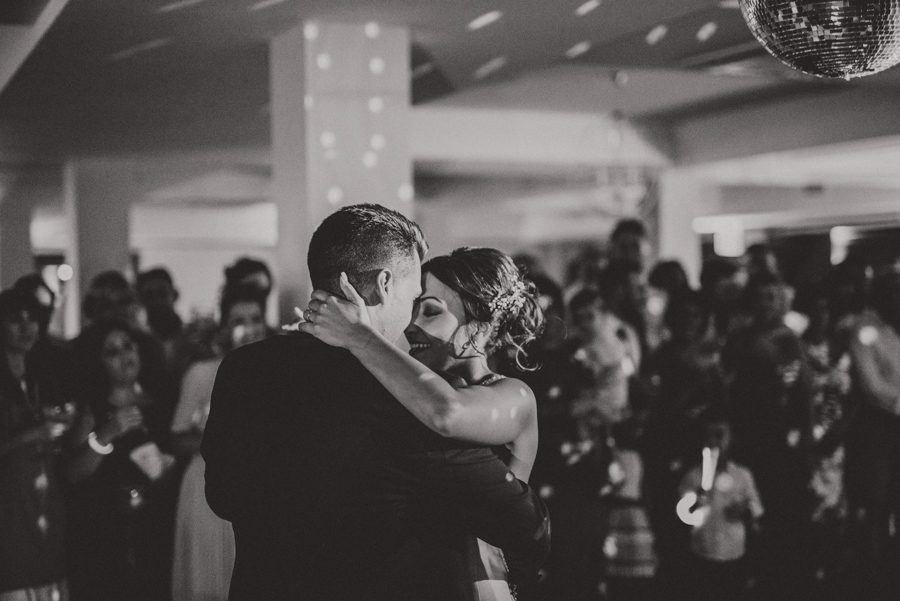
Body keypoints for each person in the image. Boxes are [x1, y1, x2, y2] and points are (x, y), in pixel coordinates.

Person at [202, 204, 549, 601]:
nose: (414, 318)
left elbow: (223, 496)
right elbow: (527, 527)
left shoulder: (243, 368)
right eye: (415, 295)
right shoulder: (405, 397)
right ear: (385, 285)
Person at [302, 246, 543, 600]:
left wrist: (360, 336)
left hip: (471, 583)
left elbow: (447, 414)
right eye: (413, 308)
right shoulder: (407, 389)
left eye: (430, 311)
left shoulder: (514, 395)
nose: (413, 323)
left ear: (479, 324)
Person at [169, 285, 268, 601]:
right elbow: (176, 438)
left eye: (255, 318)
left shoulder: (278, 374)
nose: (249, 328)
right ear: (225, 326)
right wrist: (222, 440)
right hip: (207, 485)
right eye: (239, 320)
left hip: (261, 487)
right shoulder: (201, 373)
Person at [66, 320, 176, 601]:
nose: (125, 356)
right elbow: (72, 474)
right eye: (112, 352)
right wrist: (107, 434)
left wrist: (168, 466)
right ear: (98, 363)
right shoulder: (93, 409)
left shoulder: (161, 403)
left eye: (128, 346)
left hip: (155, 527)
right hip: (105, 533)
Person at [0, 289, 74, 601]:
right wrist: (32, 435)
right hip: (10, 505)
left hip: (44, 496)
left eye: (32, 320)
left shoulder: (38, 374)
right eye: (16, 320)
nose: (26, 327)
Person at [843, 267, 900, 601]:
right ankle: (874, 574)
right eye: (891, 291)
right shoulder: (865, 328)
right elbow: (872, 385)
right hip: (878, 424)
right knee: (876, 497)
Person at [678, 410, 763, 601]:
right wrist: (696, 500)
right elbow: (683, 513)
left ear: (731, 439)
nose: (713, 442)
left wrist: (745, 510)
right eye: (707, 436)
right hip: (702, 553)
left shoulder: (742, 475)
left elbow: (756, 505)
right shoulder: (693, 476)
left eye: (719, 435)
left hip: (734, 555)